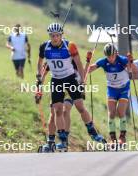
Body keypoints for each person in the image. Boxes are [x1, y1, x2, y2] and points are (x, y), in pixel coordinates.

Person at [36, 22, 106, 152]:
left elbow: (79, 64)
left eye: (57, 35)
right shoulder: (44, 47)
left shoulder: (70, 46)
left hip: (69, 79)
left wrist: (82, 81)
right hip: (56, 80)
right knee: (57, 111)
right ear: (49, 36)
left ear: (61, 35)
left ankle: (93, 133)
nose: (55, 38)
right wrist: (38, 76)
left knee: (80, 106)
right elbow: (40, 63)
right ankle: (62, 140)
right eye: (52, 35)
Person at [86, 43, 138, 146]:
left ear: (116, 53)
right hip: (112, 89)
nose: (110, 58)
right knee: (111, 113)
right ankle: (112, 138)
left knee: (120, 112)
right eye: (108, 56)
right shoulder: (103, 62)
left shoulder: (122, 59)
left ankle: (122, 137)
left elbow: (135, 72)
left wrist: (130, 63)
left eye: (112, 55)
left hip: (123, 88)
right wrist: (88, 61)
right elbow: (88, 70)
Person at [40, 61, 83, 152]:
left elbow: (82, 73)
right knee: (53, 114)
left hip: (69, 90)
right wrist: (39, 88)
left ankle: (64, 141)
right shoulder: (53, 58)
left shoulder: (73, 60)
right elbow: (43, 74)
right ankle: (50, 142)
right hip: (57, 88)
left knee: (65, 111)